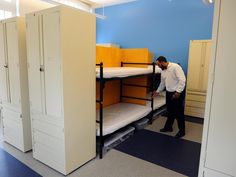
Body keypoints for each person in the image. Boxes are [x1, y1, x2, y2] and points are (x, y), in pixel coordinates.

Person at [153, 56, 186, 138]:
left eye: (158, 64)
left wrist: (178, 92)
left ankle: (182, 131)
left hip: (177, 93)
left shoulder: (175, 67)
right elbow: (162, 83)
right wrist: (157, 91)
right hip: (169, 93)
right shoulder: (163, 71)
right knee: (170, 111)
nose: (158, 66)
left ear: (162, 62)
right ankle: (168, 127)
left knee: (179, 113)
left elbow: (182, 80)